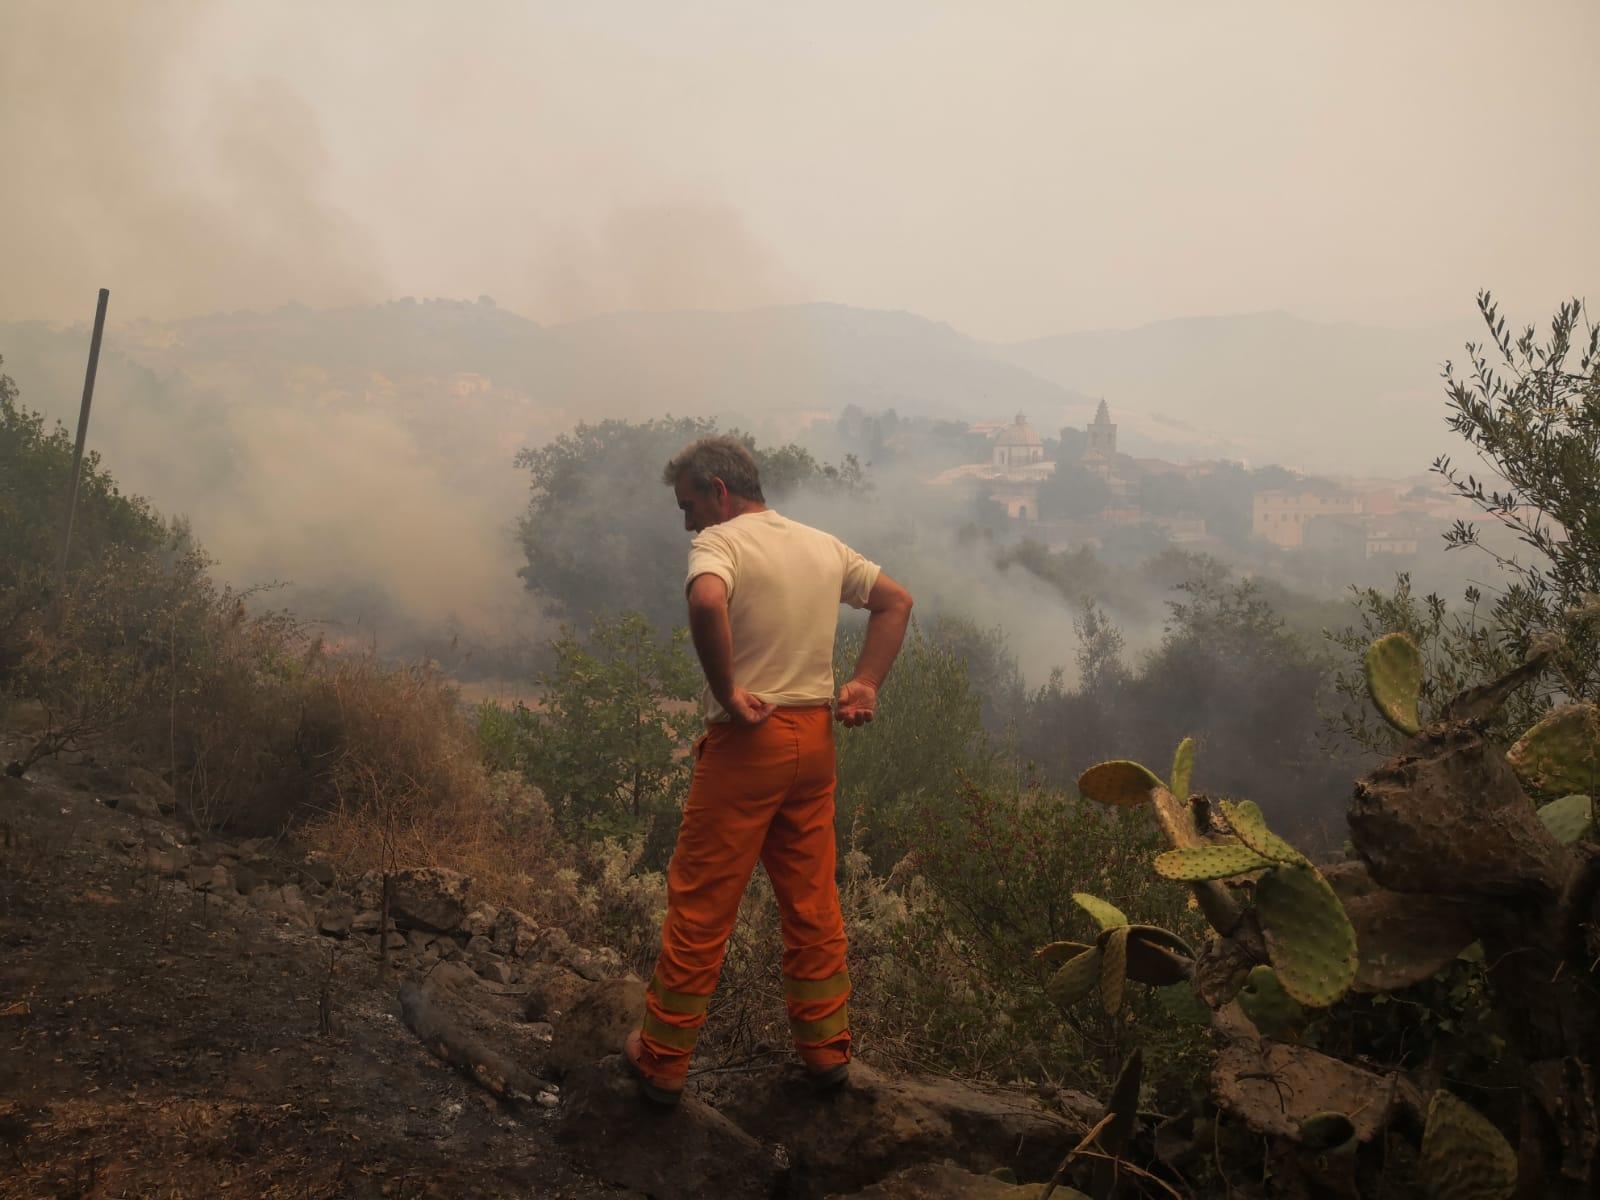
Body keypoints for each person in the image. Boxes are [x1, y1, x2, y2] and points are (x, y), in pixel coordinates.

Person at [624, 435, 913, 1105]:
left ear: (718, 492)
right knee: (812, 899)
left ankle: (661, 1060)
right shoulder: (821, 544)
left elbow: (704, 603)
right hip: (813, 743)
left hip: (749, 741)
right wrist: (865, 684)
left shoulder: (719, 546)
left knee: (701, 900)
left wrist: (727, 691)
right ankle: (825, 1052)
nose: (689, 521)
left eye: (689, 505)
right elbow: (897, 601)